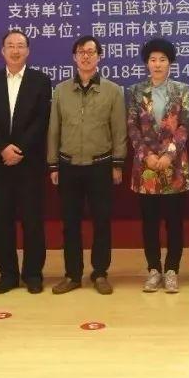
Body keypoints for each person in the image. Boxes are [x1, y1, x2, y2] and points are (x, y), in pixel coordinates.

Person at [47, 35, 127, 295]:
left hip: (100, 165)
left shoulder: (112, 91)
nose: (86, 56)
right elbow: (54, 130)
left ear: (99, 57)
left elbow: (119, 130)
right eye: (81, 52)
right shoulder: (61, 91)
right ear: (74, 57)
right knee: (70, 224)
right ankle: (72, 275)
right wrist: (53, 165)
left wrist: (117, 164)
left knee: (101, 222)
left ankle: (100, 273)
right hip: (68, 166)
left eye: (91, 52)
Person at [0, 30, 52, 295]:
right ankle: (8, 275)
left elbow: (42, 119)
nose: (15, 50)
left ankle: (33, 274)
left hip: (29, 162)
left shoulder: (40, 81)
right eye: (10, 46)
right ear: (2, 51)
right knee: (2, 221)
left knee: (32, 221)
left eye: (20, 46)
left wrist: (19, 148)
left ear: (28, 51)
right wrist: (2, 148)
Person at [126, 38, 189, 294]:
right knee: (149, 222)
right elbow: (132, 127)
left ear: (170, 63)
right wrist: (147, 156)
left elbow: (184, 126)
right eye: (153, 60)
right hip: (146, 169)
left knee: (174, 222)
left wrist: (169, 155)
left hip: (174, 167)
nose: (157, 64)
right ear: (147, 63)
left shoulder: (183, 91)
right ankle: (154, 270)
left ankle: (172, 270)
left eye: (162, 60)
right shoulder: (135, 91)